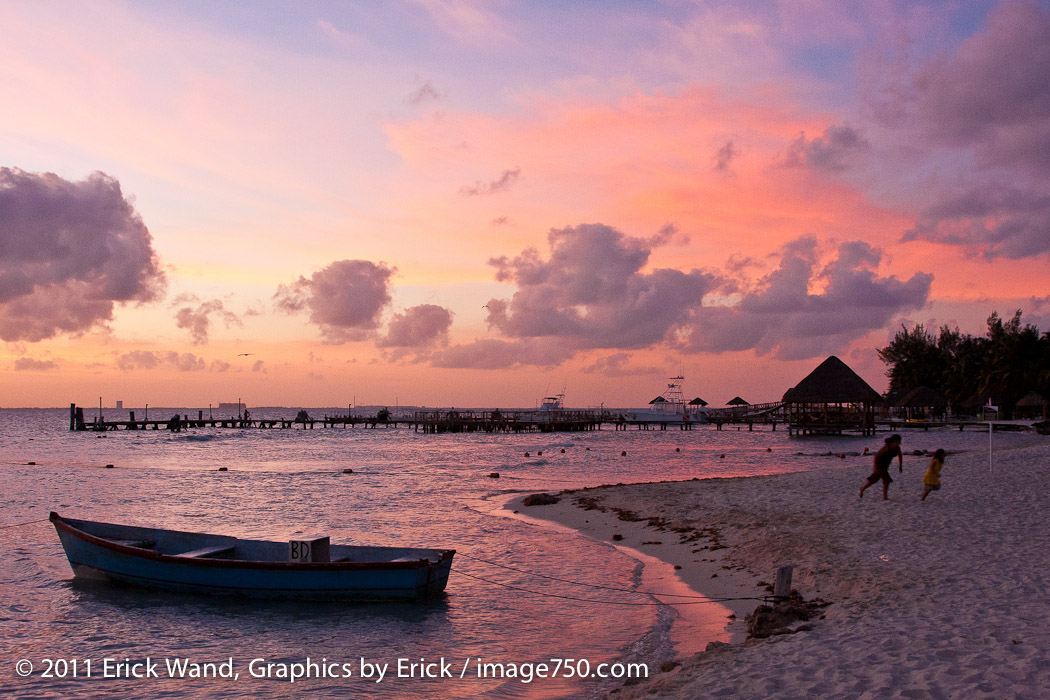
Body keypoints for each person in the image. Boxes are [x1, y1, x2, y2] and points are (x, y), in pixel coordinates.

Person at [859, 434, 903, 500]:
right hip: (879, 464)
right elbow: (877, 456)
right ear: (895, 441)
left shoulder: (897, 448)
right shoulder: (887, 447)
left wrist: (900, 466)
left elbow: (900, 456)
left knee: (874, 479)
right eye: (899, 441)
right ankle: (885, 497)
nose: (900, 442)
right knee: (887, 480)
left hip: (885, 465)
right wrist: (875, 467)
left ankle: (862, 488)